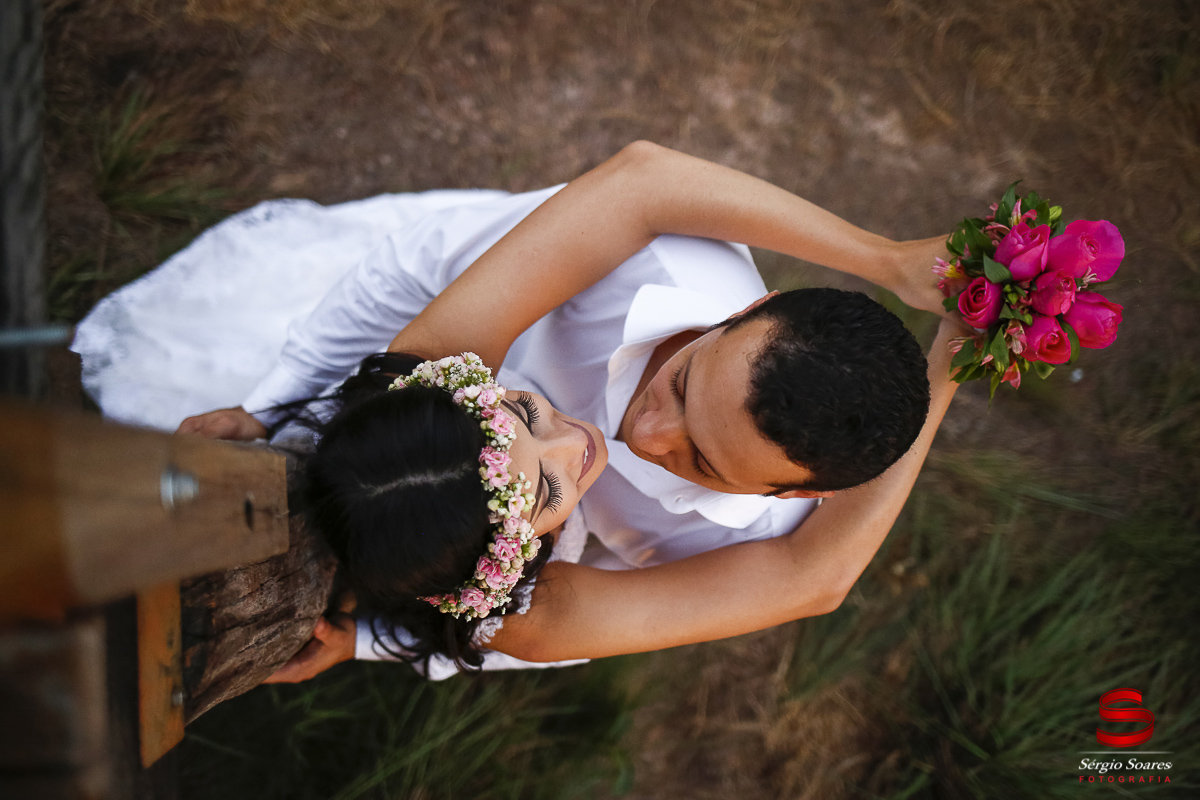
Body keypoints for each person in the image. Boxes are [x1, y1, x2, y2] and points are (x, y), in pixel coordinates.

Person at [74, 142, 956, 675]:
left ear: (791, 495)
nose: (634, 436)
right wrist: (884, 259)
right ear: (747, 312)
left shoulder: (746, 541)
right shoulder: (659, 263)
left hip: (471, 530)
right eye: (683, 386)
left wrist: (371, 636)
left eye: (701, 462)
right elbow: (642, 181)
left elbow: (810, 581)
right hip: (451, 349)